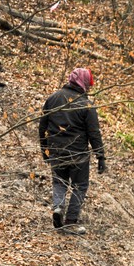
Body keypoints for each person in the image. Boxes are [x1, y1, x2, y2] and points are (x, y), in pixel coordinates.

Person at [39, 67, 106, 235]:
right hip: (78, 154)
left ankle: (58, 207)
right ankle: (70, 222)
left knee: (59, 182)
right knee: (80, 185)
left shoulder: (53, 98)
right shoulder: (86, 105)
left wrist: (45, 149)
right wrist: (101, 156)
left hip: (56, 150)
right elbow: (94, 133)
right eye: (88, 84)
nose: (89, 88)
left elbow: (42, 126)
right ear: (82, 82)